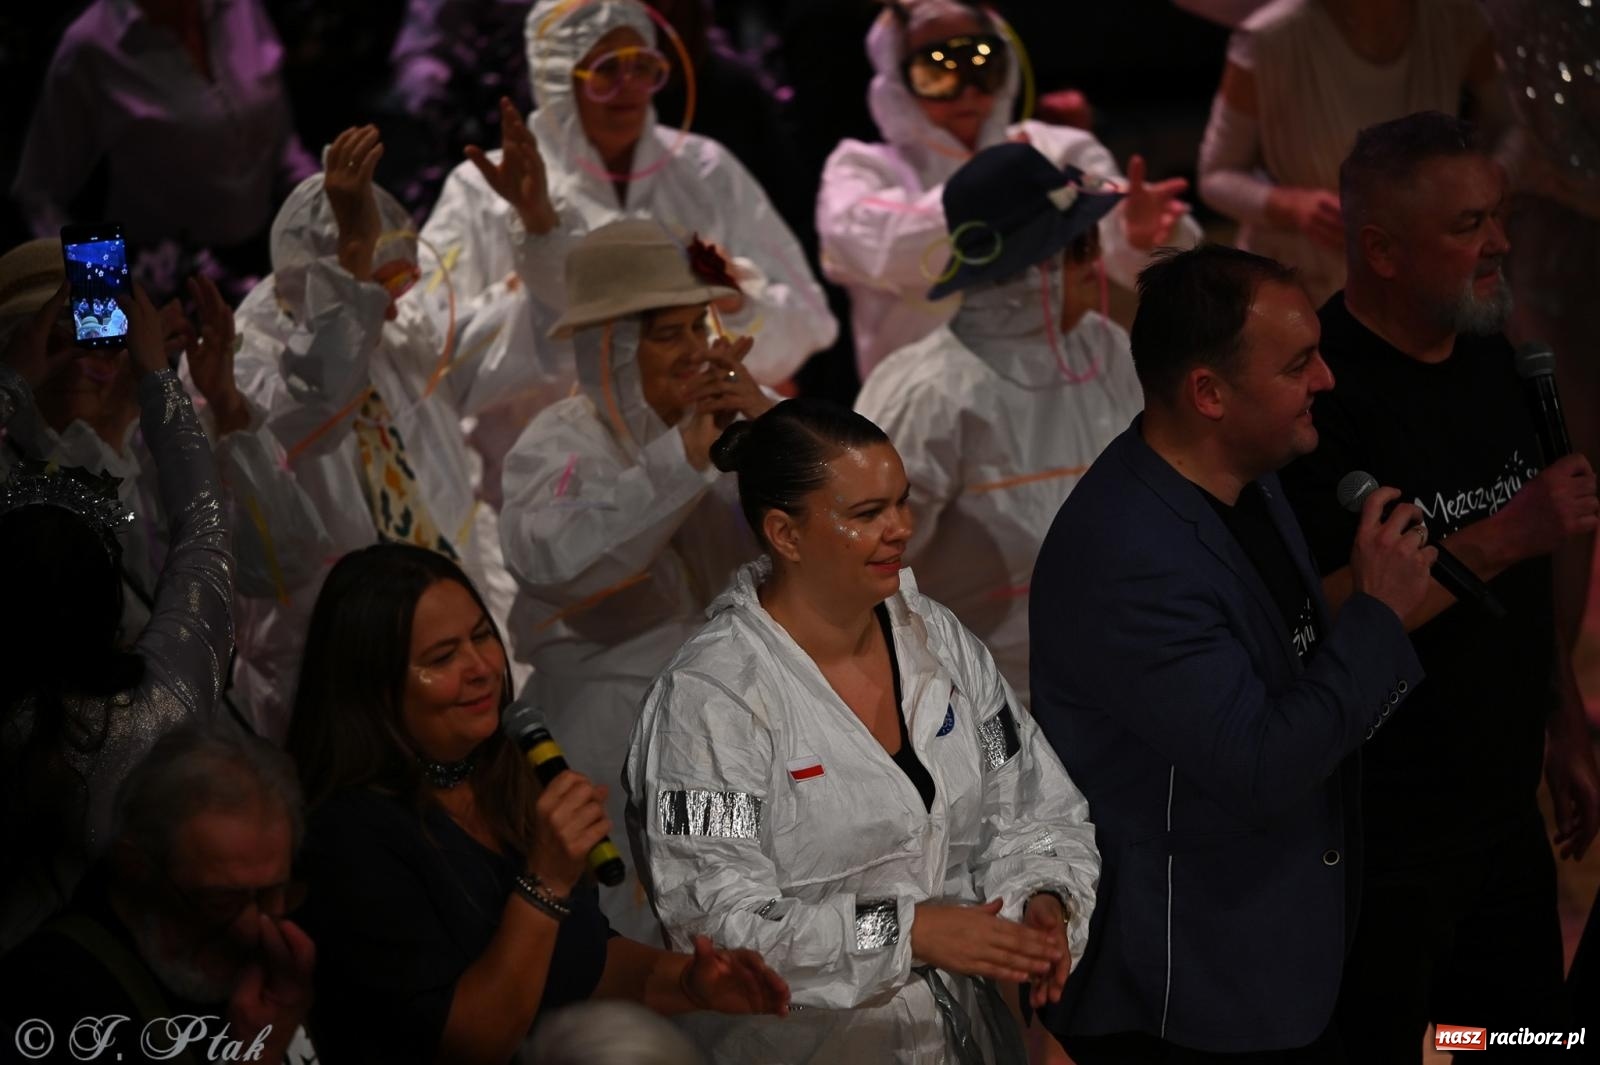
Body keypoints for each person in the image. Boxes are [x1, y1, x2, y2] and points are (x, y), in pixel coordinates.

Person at [1030, 244, 1436, 1061]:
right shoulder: (1130, 557)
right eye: (1299, 363)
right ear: (1208, 392)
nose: (1325, 379)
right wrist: (1379, 612)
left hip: (1278, 944)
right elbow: (1262, 766)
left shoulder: (1249, 476)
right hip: (1191, 991)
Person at [626, 399, 1099, 1063]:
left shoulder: (940, 640)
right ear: (785, 535)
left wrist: (1044, 896)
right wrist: (907, 930)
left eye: (902, 502)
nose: (902, 528)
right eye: (867, 513)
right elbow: (722, 922)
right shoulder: (709, 701)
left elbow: (1032, 807)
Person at [1276, 111, 1600, 1059]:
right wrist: (1505, 534)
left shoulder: (1500, 362)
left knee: (1528, 1042)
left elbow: (1535, 575)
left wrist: (1565, 719)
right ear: (1379, 248)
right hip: (1380, 837)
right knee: (1392, 1046)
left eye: (1497, 216)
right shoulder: (1318, 399)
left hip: (1502, 812)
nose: (1499, 241)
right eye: (1468, 226)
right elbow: (1320, 617)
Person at [286, 543, 789, 1065]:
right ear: (373, 687)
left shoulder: (504, 771)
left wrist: (688, 984)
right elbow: (468, 1045)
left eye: (482, 636)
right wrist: (546, 881)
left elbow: (581, 966)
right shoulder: (344, 835)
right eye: (442, 658)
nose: (481, 667)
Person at [420, 0, 836, 502]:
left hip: (706, 488)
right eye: (606, 70)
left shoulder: (704, 170)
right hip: (546, 498)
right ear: (555, 77)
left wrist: (733, 304)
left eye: (644, 67)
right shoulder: (486, 192)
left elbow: (812, 323)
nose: (630, 88)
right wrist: (544, 294)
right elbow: (433, 363)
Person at [498, 218, 770, 940]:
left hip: (720, 727)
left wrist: (773, 429)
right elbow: (557, 563)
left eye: (697, 326)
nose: (695, 351)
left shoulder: (724, 421)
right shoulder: (559, 444)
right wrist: (682, 459)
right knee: (622, 926)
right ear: (610, 345)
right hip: (601, 739)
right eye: (668, 334)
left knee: (719, 910)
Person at [231, 125, 518, 742]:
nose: (390, 306)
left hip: (442, 639)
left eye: (397, 284)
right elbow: (317, 407)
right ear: (323, 277)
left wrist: (540, 227)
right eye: (371, 284)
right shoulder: (241, 363)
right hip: (330, 655)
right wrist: (354, 258)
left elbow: (513, 337)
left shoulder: (393, 336)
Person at [855, 142, 1142, 706]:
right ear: (1044, 265)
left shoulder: (1104, 349)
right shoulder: (930, 392)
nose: (1097, 266)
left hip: (1119, 684)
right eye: (1083, 247)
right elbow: (857, 573)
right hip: (984, 702)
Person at [0, 282, 235, 953]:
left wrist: (11, 379)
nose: (86, 358)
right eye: (63, 342)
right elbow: (205, 528)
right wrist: (159, 378)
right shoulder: (154, 708)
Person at [817, 0, 1199, 381]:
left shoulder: (1058, 148)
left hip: (1057, 386)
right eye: (937, 71)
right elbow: (873, 245)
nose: (967, 91)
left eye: (983, 65)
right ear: (898, 82)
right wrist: (1026, 197)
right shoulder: (861, 167)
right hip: (933, 399)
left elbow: (1129, 255)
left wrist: (1140, 235)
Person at [0, 238, 329, 675]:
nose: (85, 357)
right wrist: (111, 424)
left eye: (102, 331)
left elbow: (283, 564)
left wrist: (228, 406)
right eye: (55, 336)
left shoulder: (153, 442)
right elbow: (76, 616)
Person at [0, 721, 315, 1064]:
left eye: (271, 895)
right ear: (136, 869)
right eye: (220, 902)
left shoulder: (278, 976)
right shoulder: (50, 997)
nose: (254, 927)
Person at [1197, 0, 1509, 307]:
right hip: (1306, 287)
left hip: (1427, 284)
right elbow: (1215, 174)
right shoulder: (1270, 37)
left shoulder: (1454, 18)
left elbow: (1514, 124)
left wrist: (1487, 186)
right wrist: (1295, 207)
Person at [11, 0, 317, 296]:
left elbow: (280, 144)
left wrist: (329, 203)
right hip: (164, 291)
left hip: (270, 263)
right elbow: (40, 194)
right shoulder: (90, 45)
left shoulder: (241, 7)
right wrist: (107, 308)